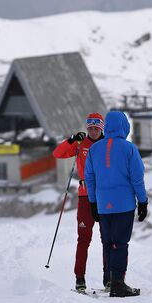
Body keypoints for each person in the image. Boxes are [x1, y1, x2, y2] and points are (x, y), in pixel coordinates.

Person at [85, 111, 148, 298]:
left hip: (103, 205)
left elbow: (89, 177)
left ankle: (109, 280)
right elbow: (137, 179)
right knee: (120, 243)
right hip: (124, 204)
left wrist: (92, 203)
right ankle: (118, 284)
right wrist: (143, 201)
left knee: (107, 242)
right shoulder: (129, 149)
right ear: (124, 126)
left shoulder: (95, 149)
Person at [52, 113, 105, 292]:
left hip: (105, 196)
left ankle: (110, 278)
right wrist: (71, 139)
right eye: (90, 128)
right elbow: (57, 154)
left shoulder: (108, 144)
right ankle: (79, 278)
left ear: (101, 128)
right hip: (84, 196)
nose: (93, 131)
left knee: (108, 239)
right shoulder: (80, 143)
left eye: (96, 128)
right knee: (83, 239)